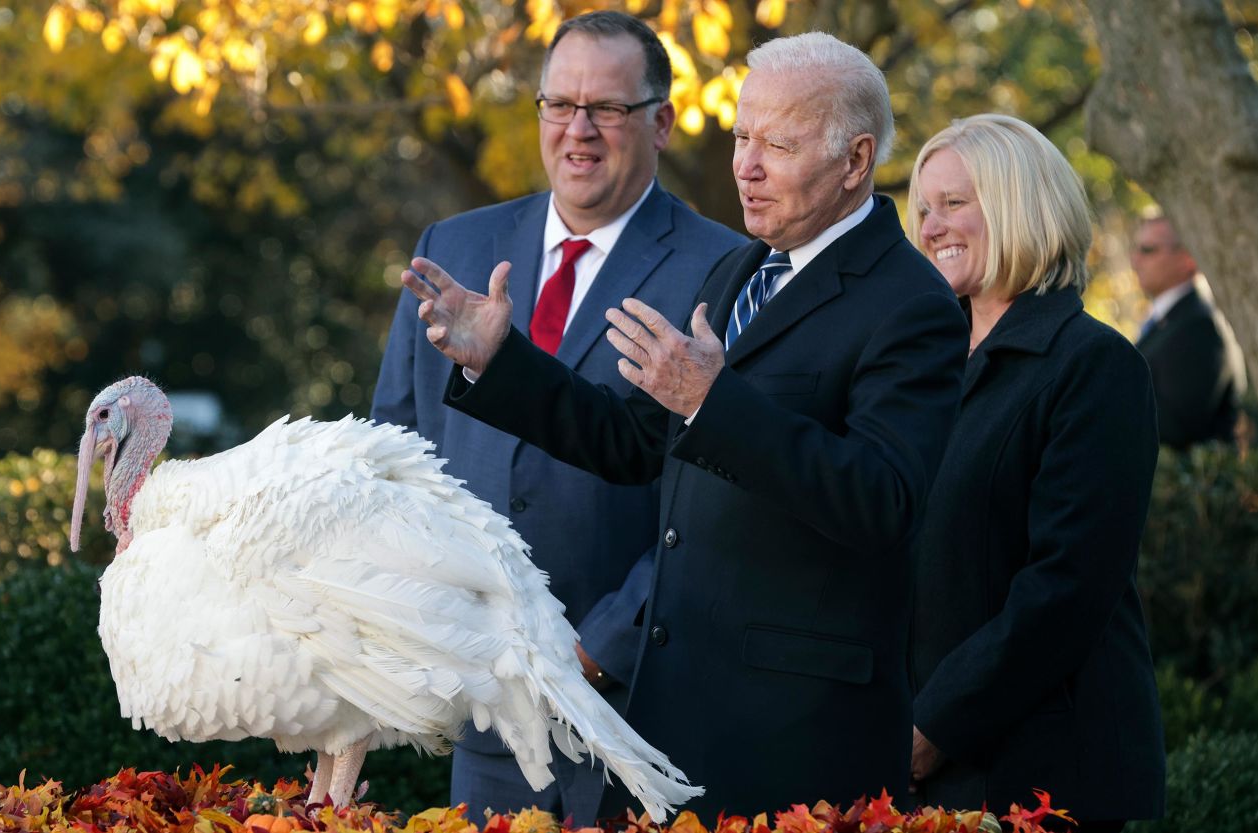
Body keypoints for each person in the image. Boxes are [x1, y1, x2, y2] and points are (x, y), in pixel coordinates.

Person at [399, 32, 968, 817]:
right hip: (675, 720)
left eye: (780, 143)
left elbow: (883, 498)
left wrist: (713, 401)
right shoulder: (742, 270)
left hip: (795, 741)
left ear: (855, 160)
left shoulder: (912, 304)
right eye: (741, 137)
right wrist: (500, 362)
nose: (747, 165)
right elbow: (632, 441)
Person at [371, 10, 743, 824]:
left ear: (663, 123)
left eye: (607, 108)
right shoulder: (454, 247)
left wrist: (600, 647)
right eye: (559, 105)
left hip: (641, 709)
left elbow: (718, 499)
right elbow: (394, 458)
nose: (579, 130)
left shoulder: (721, 267)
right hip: (489, 713)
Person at [905, 114, 1165, 830]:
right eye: (924, 208)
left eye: (954, 203)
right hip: (916, 767)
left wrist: (932, 725)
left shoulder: (1094, 365)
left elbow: (1066, 587)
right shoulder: (921, 363)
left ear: (1020, 203)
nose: (931, 226)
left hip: (1044, 774)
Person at [1130, 216, 1246, 450]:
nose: (1135, 260)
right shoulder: (1171, 318)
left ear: (1188, 258)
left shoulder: (1199, 325)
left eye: (1148, 249)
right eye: (1136, 249)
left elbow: (1179, 427)